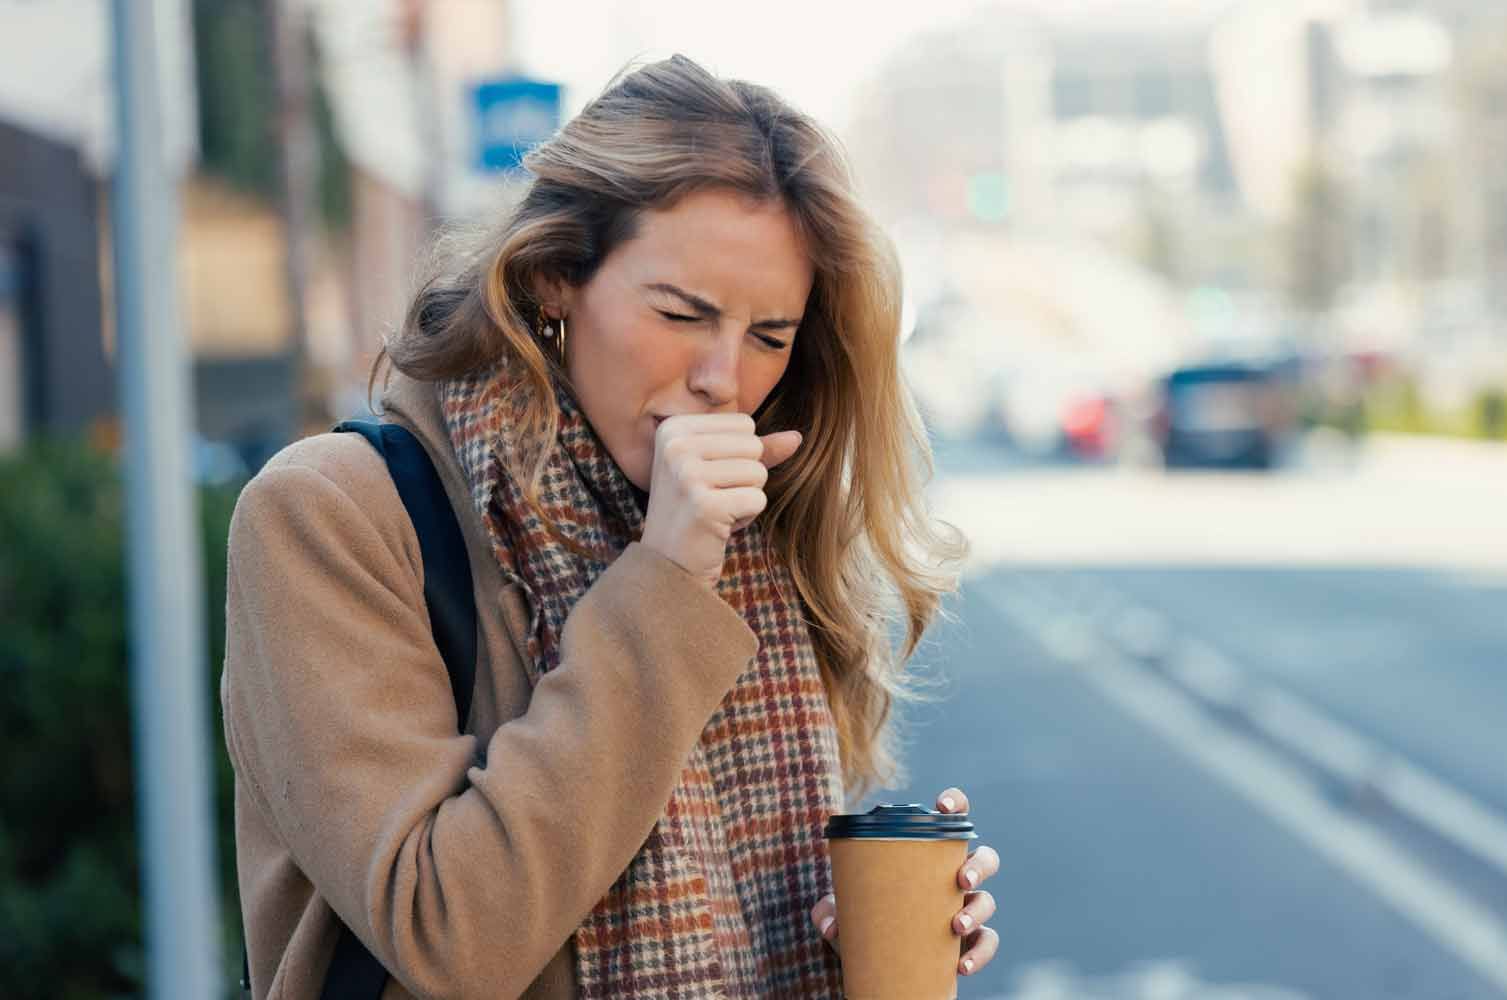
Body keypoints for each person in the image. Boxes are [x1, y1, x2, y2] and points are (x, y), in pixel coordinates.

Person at [222, 54, 1000, 999]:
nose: (725, 378)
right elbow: (449, 937)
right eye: (682, 313)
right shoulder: (332, 515)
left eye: (769, 336)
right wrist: (665, 580)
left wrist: (847, 943)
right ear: (556, 277)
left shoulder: (749, 542)